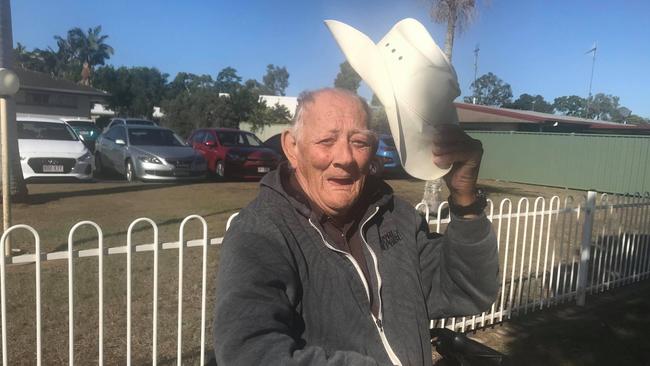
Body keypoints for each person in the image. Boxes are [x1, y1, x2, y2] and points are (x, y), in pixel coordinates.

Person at [213, 88, 498, 365]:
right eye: (326, 141)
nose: (345, 158)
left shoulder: (396, 216)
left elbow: (466, 290)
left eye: (359, 142)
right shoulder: (260, 232)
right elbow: (248, 352)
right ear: (292, 147)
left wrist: (465, 200)